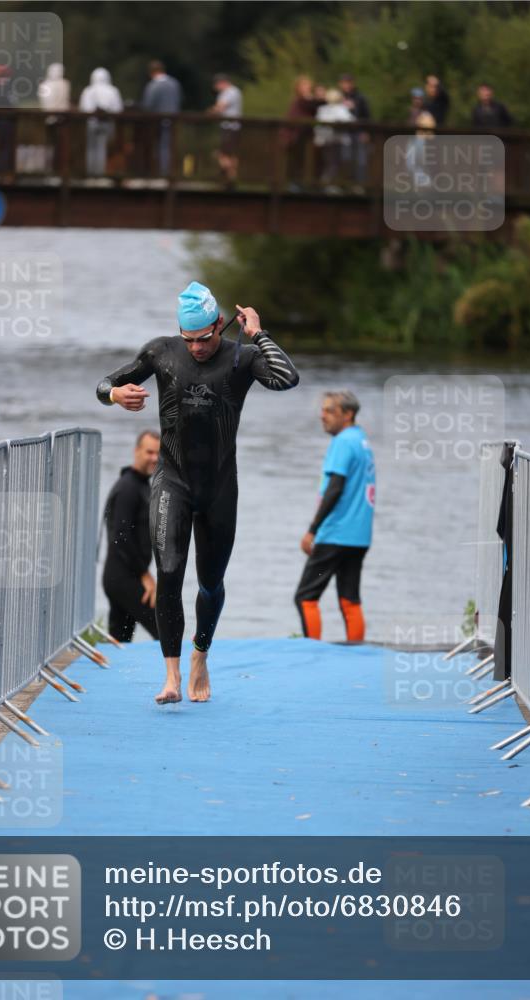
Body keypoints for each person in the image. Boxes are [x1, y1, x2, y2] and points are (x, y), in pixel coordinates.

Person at [96, 282, 299, 704]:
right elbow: (104, 384)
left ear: (218, 326)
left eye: (204, 339)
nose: (195, 348)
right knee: (168, 573)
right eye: (187, 340)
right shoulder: (161, 352)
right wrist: (115, 394)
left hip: (221, 487)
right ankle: (170, 677)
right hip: (173, 481)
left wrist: (259, 334)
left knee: (210, 583)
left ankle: (200, 657)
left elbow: (287, 378)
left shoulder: (242, 358)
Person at [295, 391, 375, 642]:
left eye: (330, 411)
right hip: (359, 536)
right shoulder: (362, 440)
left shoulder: (342, 441)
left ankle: (312, 651)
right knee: (349, 597)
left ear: (348, 414)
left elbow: (335, 488)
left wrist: (312, 529)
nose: (323, 416)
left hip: (336, 533)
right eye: (323, 410)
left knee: (306, 597)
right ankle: (357, 650)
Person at [102, 430, 161, 643]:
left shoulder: (142, 484)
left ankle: (112, 674)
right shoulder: (128, 487)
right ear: (136, 451)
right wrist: (144, 574)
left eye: (158, 453)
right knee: (165, 628)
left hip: (122, 576)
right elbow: (121, 537)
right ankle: (177, 675)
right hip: (123, 577)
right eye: (149, 452)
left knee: (120, 640)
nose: (154, 458)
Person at [141, 60, 182, 176]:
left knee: (160, 147)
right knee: (170, 147)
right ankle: (169, 171)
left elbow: (148, 105)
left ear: (151, 72)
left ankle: (161, 172)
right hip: (173, 120)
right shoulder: (174, 83)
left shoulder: (153, 86)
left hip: (158, 121)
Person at [79, 68, 123, 175]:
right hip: (107, 124)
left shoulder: (88, 90)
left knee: (91, 148)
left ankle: (91, 173)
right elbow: (118, 109)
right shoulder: (113, 91)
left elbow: (83, 108)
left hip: (91, 123)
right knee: (102, 148)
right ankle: (100, 173)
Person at [282, 76, 324, 188]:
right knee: (296, 160)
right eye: (305, 85)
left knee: (304, 160)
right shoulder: (301, 100)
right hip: (296, 135)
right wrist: (322, 98)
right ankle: (294, 185)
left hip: (305, 135)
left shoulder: (305, 100)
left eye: (308, 85)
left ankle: (302, 184)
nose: (307, 88)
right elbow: (312, 104)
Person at [314, 87, 354, 187]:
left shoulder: (322, 110)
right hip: (335, 141)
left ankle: (327, 184)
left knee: (330, 164)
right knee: (334, 164)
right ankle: (328, 185)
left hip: (327, 141)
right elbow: (351, 121)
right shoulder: (340, 110)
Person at [337, 73, 371, 188]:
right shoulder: (337, 97)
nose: (346, 85)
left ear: (352, 83)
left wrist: (366, 131)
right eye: (344, 82)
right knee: (345, 158)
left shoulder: (360, 97)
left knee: (361, 160)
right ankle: (346, 185)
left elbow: (367, 115)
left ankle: (359, 185)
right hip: (343, 133)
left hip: (358, 132)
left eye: (348, 82)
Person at [209, 73, 243, 185]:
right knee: (229, 154)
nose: (215, 87)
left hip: (230, 127)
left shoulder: (231, 92)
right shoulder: (230, 92)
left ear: (222, 83)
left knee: (223, 154)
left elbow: (220, 107)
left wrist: (208, 113)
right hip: (229, 127)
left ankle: (229, 177)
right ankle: (230, 177)